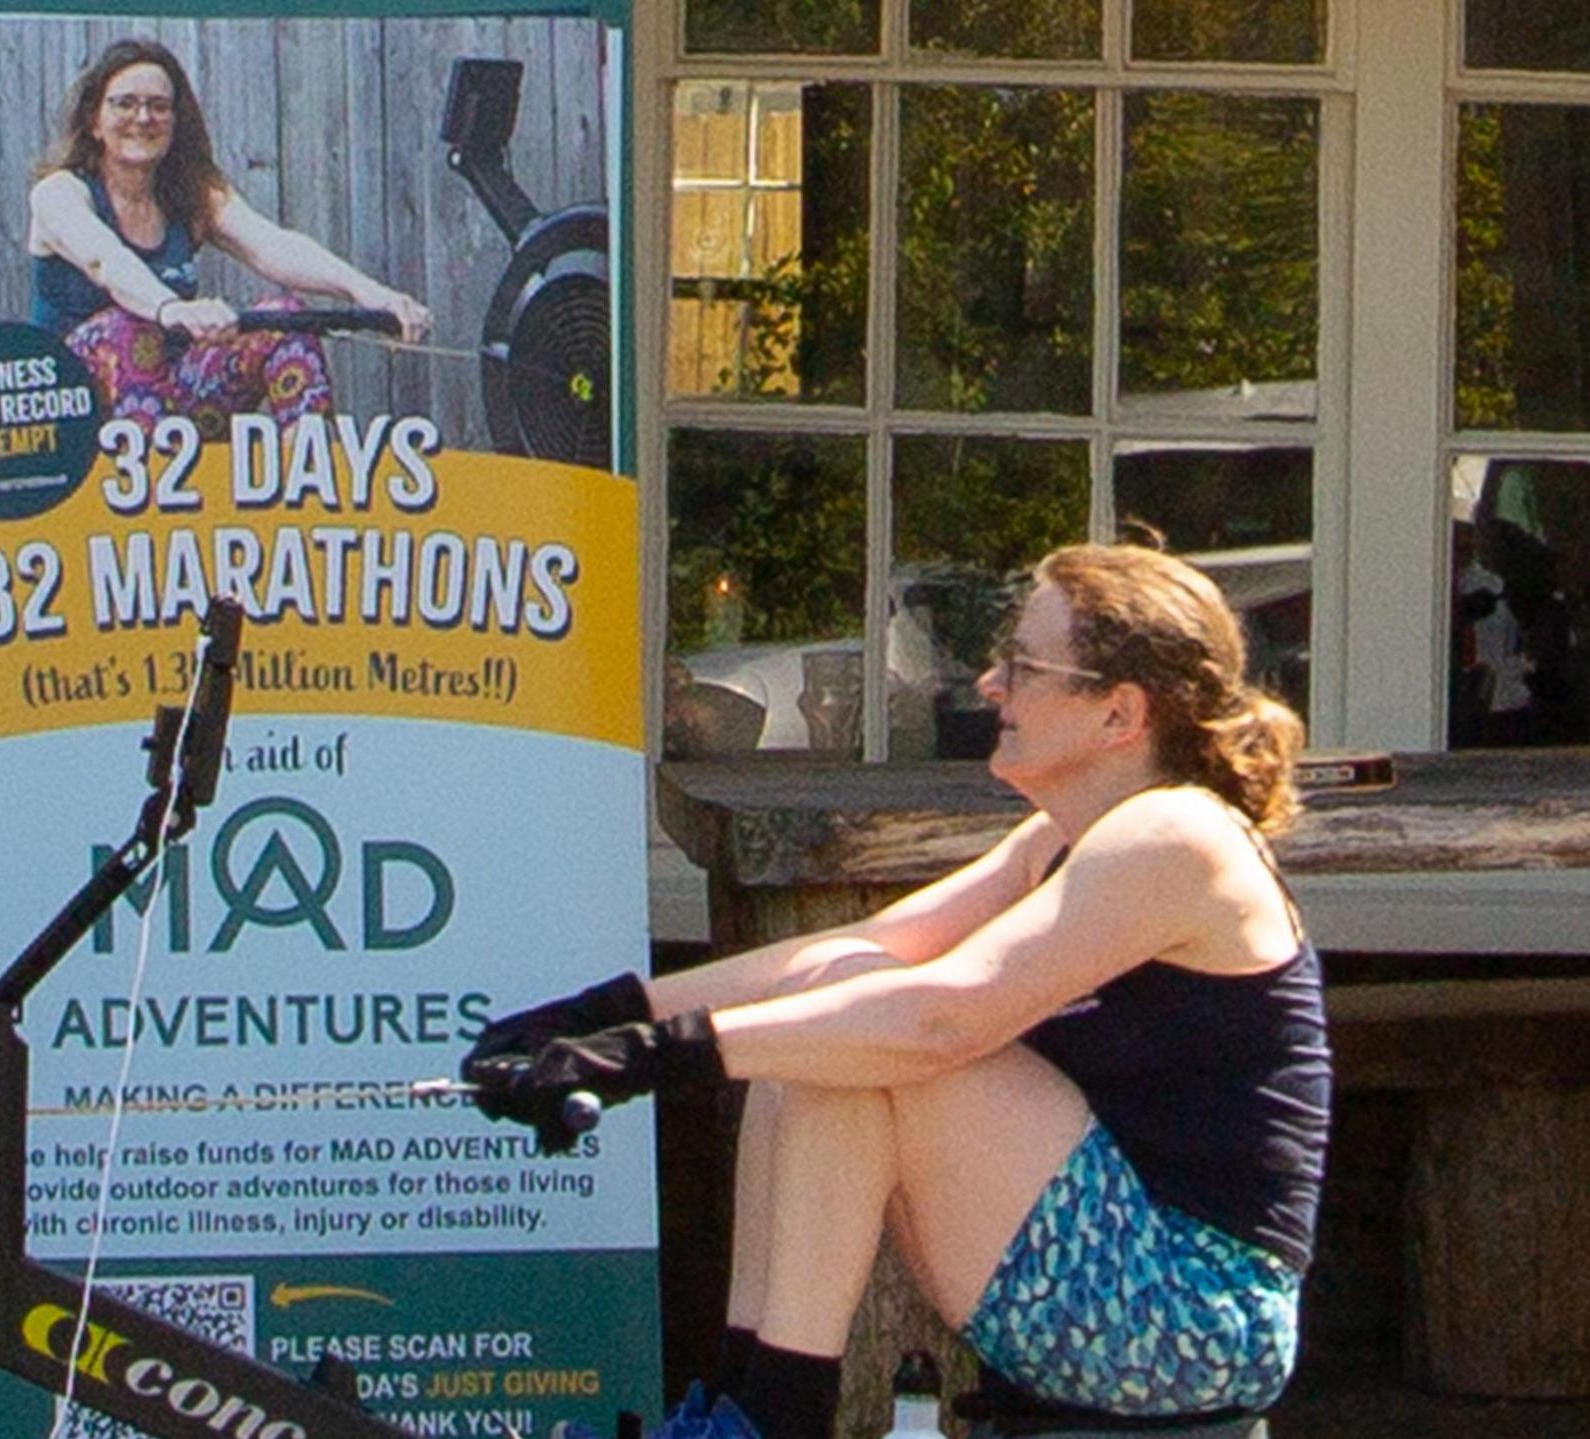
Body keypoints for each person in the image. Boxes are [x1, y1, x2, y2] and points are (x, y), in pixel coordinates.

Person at [466, 542, 1329, 1439]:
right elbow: (857, 946)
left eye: (1027, 666)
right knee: (835, 1010)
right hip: (1115, 1291)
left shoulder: (1176, 836)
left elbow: (940, 1015)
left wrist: (651, 1056)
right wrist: (599, 1016)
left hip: (1189, 1314)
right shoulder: (1068, 836)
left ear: (1119, 712)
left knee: (865, 1033)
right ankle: (742, 1408)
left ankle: (769, 1420)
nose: (991, 683)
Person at [27, 39, 431, 439]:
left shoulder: (190, 194)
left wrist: (369, 293)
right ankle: (148, 491)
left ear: (175, 122)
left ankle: (309, 480)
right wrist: (168, 308)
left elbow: (272, 246)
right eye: (125, 103)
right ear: (95, 121)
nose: (143, 117)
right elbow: (105, 262)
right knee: (128, 328)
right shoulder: (59, 193)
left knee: (285, 319)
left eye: (159, 106)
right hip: (70, 416)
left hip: (171, 405)